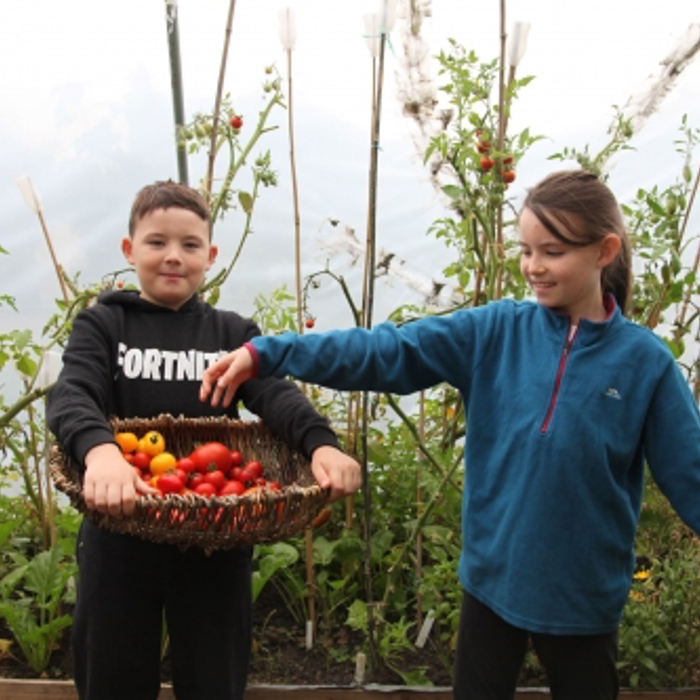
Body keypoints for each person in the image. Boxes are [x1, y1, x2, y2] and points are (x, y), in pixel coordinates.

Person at [200, 169, 700, 700]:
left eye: (551, 252)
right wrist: (269, 353)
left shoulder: (644, 363)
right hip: (490, 585)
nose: (533, 267)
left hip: (583, 598)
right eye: (525, 250)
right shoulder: (494, 332)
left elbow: (690, 473)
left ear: (604, 251)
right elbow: (384, 351)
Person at [47, 179, 361, 700]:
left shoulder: (232, 334)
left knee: (215, 680)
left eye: (190, 245)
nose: (174, 257)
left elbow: (276, 397)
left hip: (217, 537)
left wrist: (321, 444)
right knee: (112, 678)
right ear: (129, 250)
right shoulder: (103, 325)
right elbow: (72, 394)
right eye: (156, 243)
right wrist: (102, 454)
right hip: (120, 529)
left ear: (210, 255)